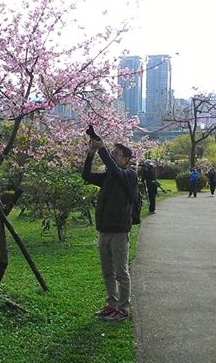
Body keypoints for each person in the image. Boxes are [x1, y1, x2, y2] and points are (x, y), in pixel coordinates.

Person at [82, 138, 137, 322]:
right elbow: (86, 176)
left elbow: (115, 170)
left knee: (121, 272)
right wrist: (91, 154)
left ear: (127, 159)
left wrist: (102, 148)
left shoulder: (129, 175)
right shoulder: (109, 176)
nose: (113, 156)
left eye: (117, 154)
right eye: (112, 153)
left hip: (119, 232)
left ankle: (123, 308)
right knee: (107, 272)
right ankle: (112, 304)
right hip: (104, 230)